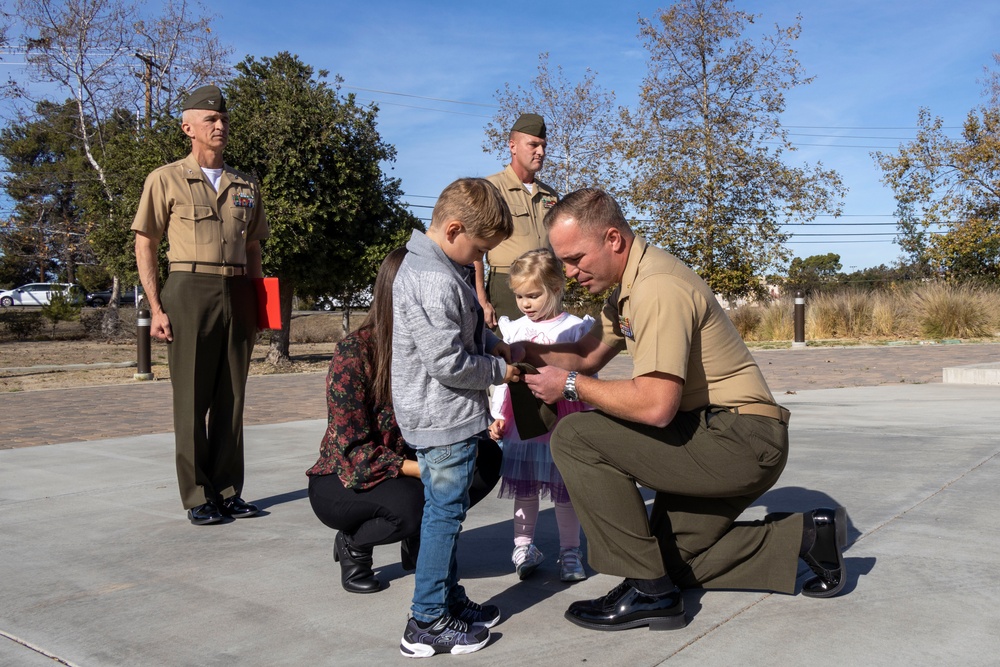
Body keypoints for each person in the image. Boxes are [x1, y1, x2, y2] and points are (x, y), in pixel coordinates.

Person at [515, 188, 849, 632]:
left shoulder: (657, 288)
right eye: (564, 263)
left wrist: (570, 387)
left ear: (613, 239)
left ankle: (648, 592)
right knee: (670, 559)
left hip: (740, 439)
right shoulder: (627, 288)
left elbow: (655, 407)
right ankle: (806, 538)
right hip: (714, 435)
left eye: (576, 259)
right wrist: (517, 350)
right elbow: (584, 353)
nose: (570, 273)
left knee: (576, 437)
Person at [305, 247, 503, 595]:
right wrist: (429, 471)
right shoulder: (355, 353)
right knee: (415, 507)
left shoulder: (432, 346)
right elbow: (355, 449)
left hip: (411, 461)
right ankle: (354, 543)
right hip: (348, 476)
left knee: (485, 458)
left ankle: (420, 545)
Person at [392, 178, 519, 658]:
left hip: (450, 414)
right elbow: (447, 363)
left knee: (447, 513)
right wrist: (501, 369)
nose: (479, 260)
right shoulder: (433, 278)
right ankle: (425, 620)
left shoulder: (444, 268)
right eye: (479, 249)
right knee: (444, 516)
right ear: (453, 229)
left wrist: (493, 344)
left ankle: (445, 597)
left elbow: (462, 336)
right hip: (439, 417)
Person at [132, 85, 268, 526]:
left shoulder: (245, 184)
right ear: (188, 127)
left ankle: (227, 491)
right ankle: (197, 496)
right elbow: (145, 242)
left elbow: (253, 249)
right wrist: (156, 307)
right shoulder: (165, 178)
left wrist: (258, 303)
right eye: (210, 120)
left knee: (232, 397)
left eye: (224, 119)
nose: (220, 125)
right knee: (191, 398)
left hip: (238, 291)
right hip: (189, 288)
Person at [487, 248, 592, 583]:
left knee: (565, 490)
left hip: (565, 417)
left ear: (557, 288)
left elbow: (589, 373)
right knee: (525, 486)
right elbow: (505, 377)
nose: (525, 304)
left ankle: (570, 552)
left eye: (533, 295)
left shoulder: (575, 329)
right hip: (522, 418)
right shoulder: (514, 329)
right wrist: (496, 414)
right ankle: (523, 547)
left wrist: (591, 412)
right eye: (519, 296)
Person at [473, 112, 559, 327]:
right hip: (508, 285)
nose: (541, 152)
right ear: (513, 146)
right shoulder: (491, 188)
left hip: (546, 284)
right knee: (510, 353)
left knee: (548, 351)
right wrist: (482, 300)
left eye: (543, 146)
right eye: (533, 145)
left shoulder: (551, 195)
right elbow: (475, 251)